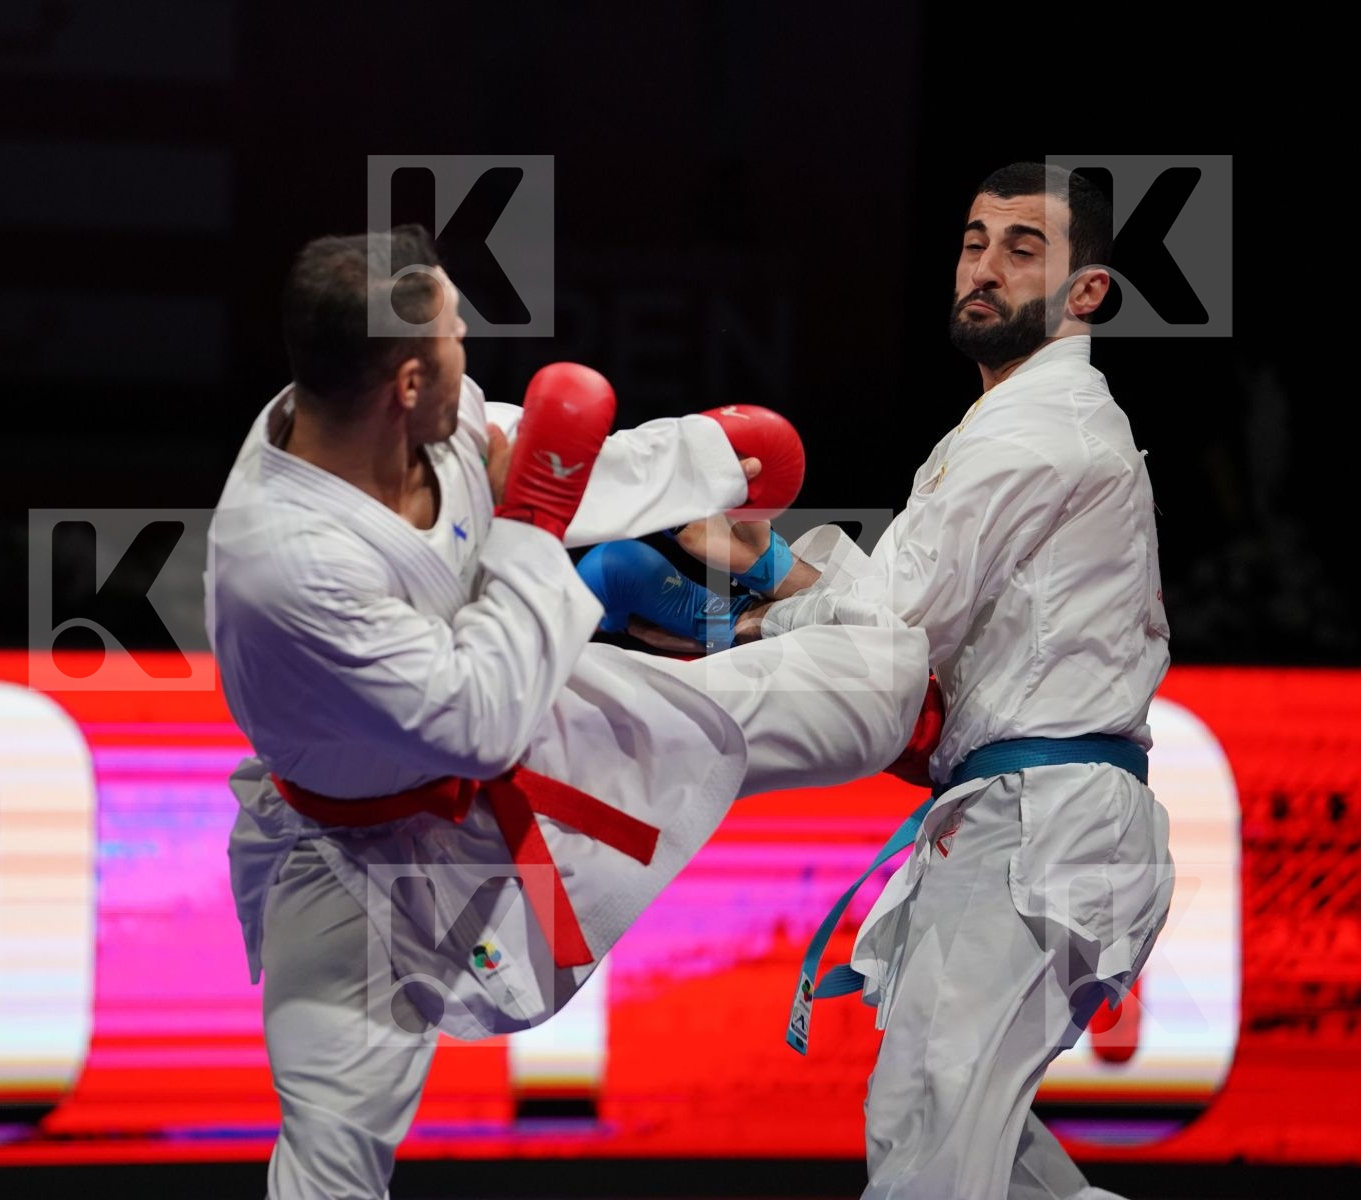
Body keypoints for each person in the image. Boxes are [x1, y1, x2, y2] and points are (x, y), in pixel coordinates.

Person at [206, 224, 933, 1198]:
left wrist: (708, 458)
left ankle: (888, 689)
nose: (470, 348)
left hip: (532, 735)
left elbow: (528, 450)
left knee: (807, 704)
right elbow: (479, 714)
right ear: (405, 383)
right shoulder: (287, 562)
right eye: (455, 335)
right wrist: (540, 522)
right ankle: (731, 615)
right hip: (357, 870)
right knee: (327, 1162)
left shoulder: (403, 408)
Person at [620, 163, 1173, 1200]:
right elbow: (916, 640)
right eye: (974, 241)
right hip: (1034, 813)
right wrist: (745, 618)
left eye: (1023, 247)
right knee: (983, 1156)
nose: (986, 266)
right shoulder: (1008, 424)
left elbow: (895, 620)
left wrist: (766, 566)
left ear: (1086, 291)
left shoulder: (1039, 428)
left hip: (1038, 820)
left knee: (926, 1135)